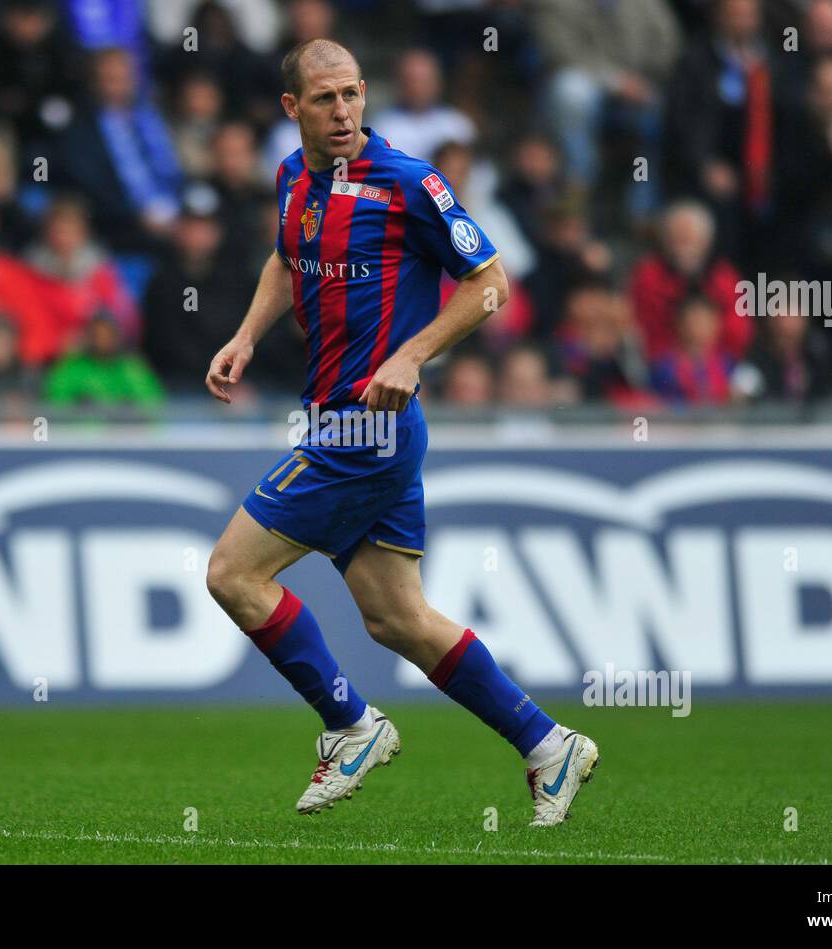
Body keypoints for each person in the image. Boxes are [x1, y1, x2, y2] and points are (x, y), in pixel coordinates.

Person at [202, 39, 599, 827]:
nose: (344, 111)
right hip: (336, 418)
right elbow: (288, 257)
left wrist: (413, 353)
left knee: (231, 574)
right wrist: (247, 335)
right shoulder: (292, 177)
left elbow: (491, 285)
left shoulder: (410, 184)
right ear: (293, 110)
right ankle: (548, 743)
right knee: (398, 619)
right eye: (325, 99)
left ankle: (352, 723)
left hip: (365, 430)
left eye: (352, 94)